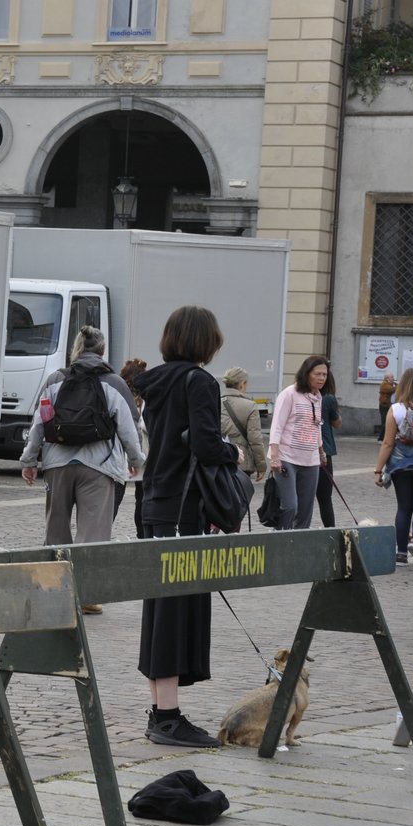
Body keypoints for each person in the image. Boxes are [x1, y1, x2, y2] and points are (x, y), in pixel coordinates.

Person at [132, 305, 240, 747]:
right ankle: (169, 718)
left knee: (161, 610)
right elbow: (205, 443)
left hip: (156, 501)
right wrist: (231, 452)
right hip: (182, 507)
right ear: (204, 342)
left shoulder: (155, 380)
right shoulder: (198, 382)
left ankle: (162, 711)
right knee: (175, 612)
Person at [19, 326, 144, 616]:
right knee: (93, 533)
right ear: (102, 350)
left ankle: (53, 591)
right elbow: (128, 426)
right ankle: (88, 595)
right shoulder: (114, 382)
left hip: (57, 464)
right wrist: (136, 458)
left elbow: (40, 422)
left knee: (56, 529)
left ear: (76, 349)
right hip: (98, 467)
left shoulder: (55, 380)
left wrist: (29, 460)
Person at [375, 366, 413, 568]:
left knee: (404, 507)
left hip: (400, 463)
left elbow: (388, 443)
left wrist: (378, 469)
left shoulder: (396, 409)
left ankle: (400, 553)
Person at [267, 356, 329, 531]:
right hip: (286, 458)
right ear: (307, 374)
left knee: (305, 510)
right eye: (318, 374)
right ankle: (280, 539)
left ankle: (298, 544)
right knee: (290, 506)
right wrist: (274, 456)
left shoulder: (318, 397)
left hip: (310, 460)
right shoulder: (289, 394)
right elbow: (277, 427)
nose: (322, 378)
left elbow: (316, 427)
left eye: (324, 374)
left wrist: (321, 452)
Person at [113, 357, 149, 536]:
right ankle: (141, 535)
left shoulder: (119, 395)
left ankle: (141, 535)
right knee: (139, 500)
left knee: (134, 499)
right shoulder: (144, 398)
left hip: (131, 456)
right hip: (136, 456)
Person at [219, 366, 267, 486]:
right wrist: (261, 466)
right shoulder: (250, 406)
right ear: (242, 384)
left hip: (219, 458)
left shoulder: (215, 402)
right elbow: (255, 440)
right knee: (241, 499)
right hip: (242, 462)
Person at [315, 378, 342, 527]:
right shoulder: (329, 398)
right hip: (325, 450)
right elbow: (337, 423)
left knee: (302, 497)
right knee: (325, 498)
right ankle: (330, 529)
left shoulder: (299, 395)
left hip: (305, 449)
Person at [377, 372, 397, 440]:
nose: (393, 378)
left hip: (391, 406)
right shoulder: (384, 384)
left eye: (393, 377)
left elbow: (399, 388)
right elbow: (389, 389)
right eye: (391, 377)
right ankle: (380, 438)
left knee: (390, 422)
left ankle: (387, 438)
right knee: (384, 423)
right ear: (387, 378)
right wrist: (395, 387)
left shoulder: (393, 384)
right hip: (384, 406)